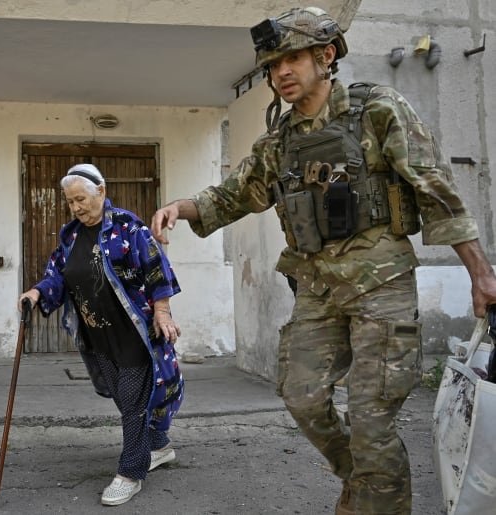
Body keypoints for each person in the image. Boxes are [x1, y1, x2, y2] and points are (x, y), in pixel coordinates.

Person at [150, 6, 496, 515]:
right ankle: (362, 482)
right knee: (303, 396)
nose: (280, 73)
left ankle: (377, 497)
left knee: (372, 418)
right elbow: (235, 194)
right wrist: (180, 207)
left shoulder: (378, 109)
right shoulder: (280, 140)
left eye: (291, 59)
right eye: (272, 65)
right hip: (317, 288)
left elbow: (434, 187)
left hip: (381, 285)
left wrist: (481, 274)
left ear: (325, 55)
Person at [18, 163, 184, 506]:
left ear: (101, 192)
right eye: (71, 202)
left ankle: (130, 472)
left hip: (134, 332)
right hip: (98, 336)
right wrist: (36, 293)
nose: (76, 207)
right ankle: (159, 445)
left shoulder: (128, 227)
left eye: (81, 199)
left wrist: (163, 312)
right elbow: (58, 276)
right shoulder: (71, 235)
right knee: (125, 399)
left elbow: (157, 269)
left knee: (133, 404)